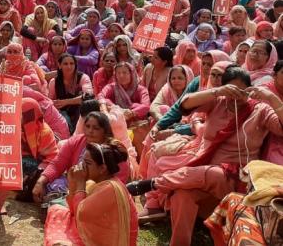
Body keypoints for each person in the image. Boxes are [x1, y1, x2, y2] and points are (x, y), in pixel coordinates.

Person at [126, 66, 283, 246]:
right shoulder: (218, 101)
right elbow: (185, 105)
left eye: (241, 91)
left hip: (237, 177)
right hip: (203, 170)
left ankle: (154, 184)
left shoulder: (260, 110)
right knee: (182, 194)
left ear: (248, 90)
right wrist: (216, 92)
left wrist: (270, 97)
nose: (236, 97)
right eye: (231, 90)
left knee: (216, 173)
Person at [43, 140, 137, 246]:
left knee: (60, 229)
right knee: (57, 211)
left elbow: (81, 215)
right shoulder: (98, 183)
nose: (82, 166)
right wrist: (73, 183)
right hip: (95, 231)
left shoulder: (110, 188)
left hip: (109, 241)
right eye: (82, 161)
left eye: (87, 163)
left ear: (102, 169)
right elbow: (74, 211)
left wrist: (80, 183)